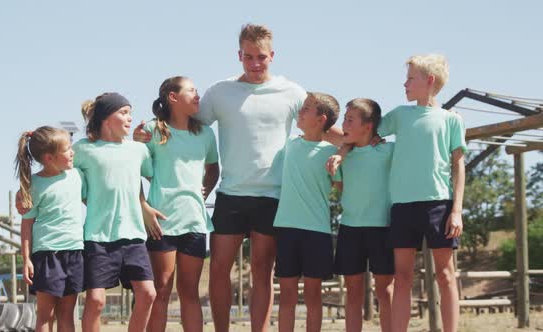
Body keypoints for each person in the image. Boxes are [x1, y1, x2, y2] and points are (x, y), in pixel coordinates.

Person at [134, 24, 343, 332]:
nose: (255, 64)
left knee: (262, 271)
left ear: (272, 55)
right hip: (231, 195)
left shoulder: (293, 92)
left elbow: (327, 127)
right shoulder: (220, 92)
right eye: (248, 57)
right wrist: (145, 133)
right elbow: (184, 122)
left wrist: (354, 145)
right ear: (239, 55)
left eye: (261, 57)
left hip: (273, 196)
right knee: (219, 269)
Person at [377, 55, 466, 332]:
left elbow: (458, 166)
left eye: (410, 78)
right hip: (402, 206)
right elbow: (368, 132)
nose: (404, 83)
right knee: (402, 277)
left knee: (446, 275)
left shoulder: (451, 119)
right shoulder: (400, 115)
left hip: (439, 205)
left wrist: (456, 210)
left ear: (429, 81)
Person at [75, 92, 157, 332]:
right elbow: (68, 181)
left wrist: (144, 206)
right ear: (104, 118)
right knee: (96, 300)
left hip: (134, 236)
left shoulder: (138, 150)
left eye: (130, 112)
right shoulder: (82, 149)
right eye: (123, 112)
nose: (130, 118)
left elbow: (143, 181)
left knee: (148, 294)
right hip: (98, 237)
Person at [143, 76, 219, 332]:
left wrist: (203, 193)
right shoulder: (152, 130)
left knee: (190, 292)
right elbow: (134, 170)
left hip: (195, 221)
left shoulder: (206, 133)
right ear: (173, 97)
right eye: (191, 90)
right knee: (161, 290)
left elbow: (213, 169)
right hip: (161, 222)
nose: (198, 95)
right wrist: (145, 206)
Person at [273, 92, 341, 332]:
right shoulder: (289, 144)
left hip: (317, 231)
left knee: (313, 295)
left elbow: (341, 186)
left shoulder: (332, 154)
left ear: (321, 119)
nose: (300, 113)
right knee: (287, 295)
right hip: (286, 228)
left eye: (307, 109)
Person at [329, 98, 394, 332]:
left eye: (349, 119)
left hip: (383, 228)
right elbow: (340, 187)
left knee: (385, 292)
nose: (343, 124)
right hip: (350, 229)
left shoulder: (389, 151)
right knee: (353, 294)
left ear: (368, 126)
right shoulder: (341, 157)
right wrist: (345, 148)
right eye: (344, 119)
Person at [15, 126, 84, 332]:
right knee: (46, 315)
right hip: (47, 255)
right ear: (48, 158)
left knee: (67, 314)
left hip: (75, 252)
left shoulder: (77, 175)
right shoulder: (33, 185)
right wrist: (26, 258)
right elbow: (27, 223)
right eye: (67, 149)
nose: (72, 152)